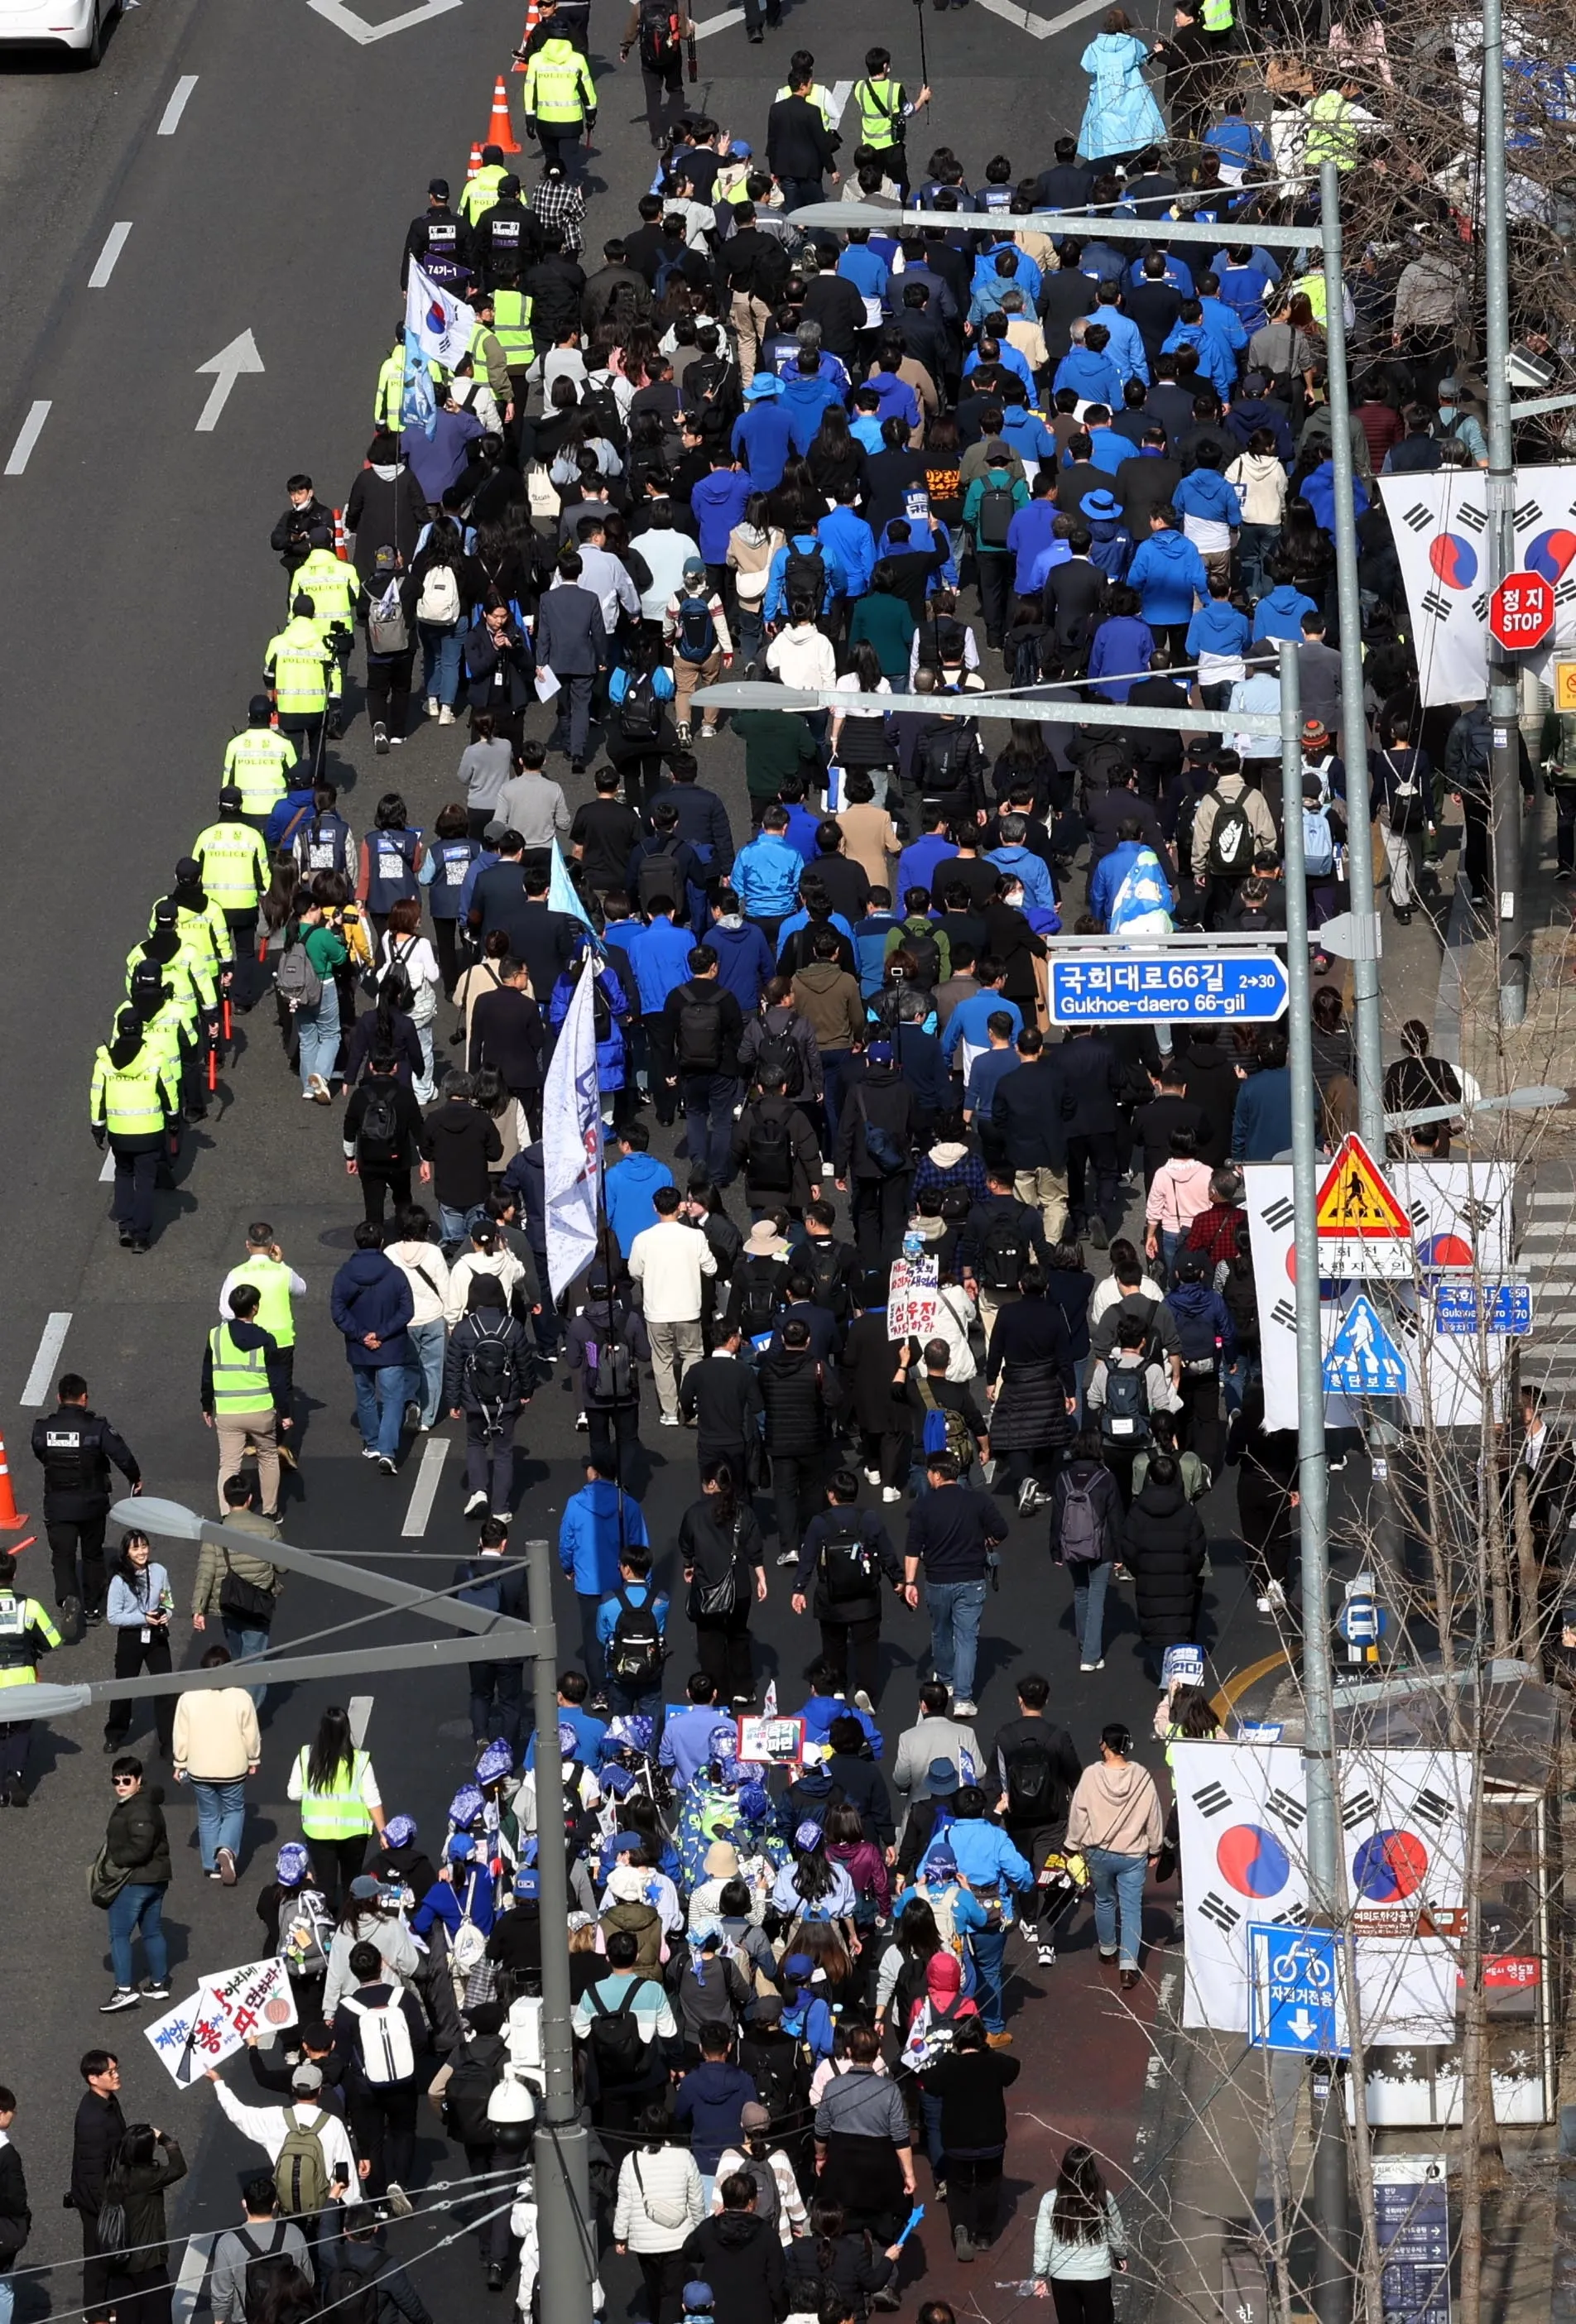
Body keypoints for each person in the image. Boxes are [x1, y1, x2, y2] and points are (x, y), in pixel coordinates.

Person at [30, 1371, 142, 1627]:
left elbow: (40, 1452)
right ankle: (92, 1607)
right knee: (92, 1555)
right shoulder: (96, 1427)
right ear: (85, 1398)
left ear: (58, 1397)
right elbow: (122, 1456)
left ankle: (68, 1599)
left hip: (58, 1505)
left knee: (63, 1556)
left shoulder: (43, 1428)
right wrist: (135, 1479)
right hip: (92, 1504)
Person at [901, 1455, 1007, 1719]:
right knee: (967, 1637)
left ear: (937, 1475)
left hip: (938, 1580)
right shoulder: (977, 1501)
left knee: (941, 1631)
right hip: (972, 1578)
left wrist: (910, 1582)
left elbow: (913, 1548)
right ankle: (963, 1698)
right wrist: (987, 1540)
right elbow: (1001, 1530)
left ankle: (946, 1680)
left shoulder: (924, 1507)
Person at [988, 1673, 1083, 1966]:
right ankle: (1046, 1942)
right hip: (1052, 1819)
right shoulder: (1057, 1736)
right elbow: (1075, 1777)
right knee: (1049, 1875)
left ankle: (1028, 1918)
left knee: (1023, 1871)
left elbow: (994, 1778)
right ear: (1047, 1699)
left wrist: (997, 1807)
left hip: (1017, 1818)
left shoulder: (1005, 1736)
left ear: (1019, 1700)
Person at [791, 1467, 903, 1706]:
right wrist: (899, 1580)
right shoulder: (869, 1518)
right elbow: (886, 1553)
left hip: (830, 1597)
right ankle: (865, 1690)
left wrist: (799, 1589)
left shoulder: (820, 1523)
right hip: (865, 1597)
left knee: (833, 1645)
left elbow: (808, 1557)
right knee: (866, 1646)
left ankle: (838, 1687)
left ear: (832, 1495)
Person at [1065, 1725, 1163, 1988]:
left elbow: (1078, 1814)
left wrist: (1072, 1846)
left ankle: (1107, 1950)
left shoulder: (1091, 1775)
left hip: (1099, 1852)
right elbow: (1154, 1817)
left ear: (1103, 1745)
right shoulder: (1142, 1776)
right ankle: (1128, 1966)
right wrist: (1155, 1848)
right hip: (1133, 1854)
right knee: (1131, 1910)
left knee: (1104, 1901)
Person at [331, 1941, 428, 2204]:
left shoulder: (347, 2008)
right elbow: (420, 2039)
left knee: (371, 2138)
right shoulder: (402, 1999)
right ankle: (400, 2183)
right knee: (404, 2131)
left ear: (353, 1971)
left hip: (365, 2086)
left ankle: (376, 2196)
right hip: (403, 2080)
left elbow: (340, 2053)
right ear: (381, 1965)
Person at [921, 2015, 1021, 2260]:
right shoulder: (994, 2063)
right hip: (991, 2140)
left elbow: (930, 2083)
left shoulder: (948, 2066)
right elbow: (1014, 2067)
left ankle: (960, 2225)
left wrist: (948, 2056)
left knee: (958, 2186)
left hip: (957, 2142)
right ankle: (985, 2234)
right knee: (989, 2184)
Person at [329, 1221, 422, 1474]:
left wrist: (362, 1336)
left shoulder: (345, 1274)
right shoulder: (394, 1274)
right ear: (382, 1243)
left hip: (359, 1349)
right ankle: (388, 1450)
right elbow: (406, 1311)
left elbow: (338, 1310)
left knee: (366, 1395)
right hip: (390, 1346)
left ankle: (371, 1443)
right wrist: (380, 1333)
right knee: (393, 1399)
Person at [560, 1454, 652, 1707]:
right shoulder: (629, 1505)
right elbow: (640, 1544)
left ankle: (600, 1692)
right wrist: (646, 1582)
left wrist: (568, 1567)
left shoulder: (575, 1504)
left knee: (593, 1639)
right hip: (621, 1582)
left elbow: (567, 1542)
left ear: (594, 1473)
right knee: (622, 1634)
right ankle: (621, 1682)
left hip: (588, 1584)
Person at [444, 1275, 537, 1521]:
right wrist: (527, 1392)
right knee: (504, 1452)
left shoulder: (464, 1329)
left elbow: (453, 1368)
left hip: (474, 1401)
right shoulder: (513, 1327)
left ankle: (478, 1492)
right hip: (506, 1400)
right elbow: (525, 1365)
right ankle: (501, 1509)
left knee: (476, 1444)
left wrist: (453, 1402)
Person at [679, 1459, 768, 1708]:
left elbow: (686, 1544)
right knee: (738, 1636)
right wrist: (761, 1576)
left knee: (710, 1642)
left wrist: (689, 1566)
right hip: (739, 1587)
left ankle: (718, 1694)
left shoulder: (694, 1514)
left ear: (711, 1483)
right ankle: (744, 1687)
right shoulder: (743, 1512)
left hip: (707, 1587)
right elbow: (754, 1548)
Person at [202, 1283, 291, 1521]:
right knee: (268, 1456)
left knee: (229, 1465)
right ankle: (270, 1511)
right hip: (260, 1411)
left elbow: (207, 1372)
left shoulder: (216, 1336)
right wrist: (285, 1413)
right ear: (255, 1308)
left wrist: (206, 1405)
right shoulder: (266, 1338)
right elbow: (277, 1380)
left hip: (228, 1412)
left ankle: (228, 1515)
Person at [173, 1645, 261, 1885]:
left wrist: (180, 1763)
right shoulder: (241, 1697)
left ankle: (211, 1866)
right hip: (233, 1768)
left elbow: (181, 1734)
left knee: (208, 1814)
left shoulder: (188, 1698)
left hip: (199, 1768)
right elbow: (250, 1734)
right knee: (234, 1811)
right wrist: (253, 1759)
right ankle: (226, 1849)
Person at [631, 1186, 718, 1424]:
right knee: (692, 1355)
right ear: (679, 1207)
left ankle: (669, 1412)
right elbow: (711, 1268)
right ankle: (689, 1408)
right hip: (688, 1308)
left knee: (662, 1360)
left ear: (655, 1207)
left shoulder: (643, 1239)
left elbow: (635, 1272)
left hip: (657, 1311)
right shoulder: (695, 1236)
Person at [613, 2101, 706, 2324]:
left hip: (645, 2242)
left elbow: (624, 2202)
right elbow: (696, 2200)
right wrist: (699, 2230)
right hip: (678, 2239)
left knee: (654, 2291)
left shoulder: (631, 2161)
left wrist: (620, 2236)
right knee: (673, 2293)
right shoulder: (684, 2156)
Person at [287, 1705, 387, 1910]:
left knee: (326, 1885)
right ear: (346, 1731)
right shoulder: (359, 1760)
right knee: (352, 1884)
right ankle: (351, 1924)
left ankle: (327, 1929)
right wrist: (383, 1832)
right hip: (354, 1835)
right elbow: (372, 1798)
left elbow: (293, 1792)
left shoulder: (306, 1756)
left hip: (319, 1834)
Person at [99, 1755, 173, 2012]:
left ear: (138, 1780)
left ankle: (123, 1990)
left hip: (136, 1880)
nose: (120, 1785)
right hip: (156, 1878)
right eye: (116, 1780)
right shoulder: (143, 1802)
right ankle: (159, 1983)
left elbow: (140, 1848)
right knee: (152, 1931)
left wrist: (115, 1859)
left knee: (119, 1934)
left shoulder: (139, 1808)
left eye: (126, 1780)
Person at [1049, 1432, 1124, 1673]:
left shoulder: (1063, 1478)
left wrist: (1056, 1550)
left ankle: (1084, 1644)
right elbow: (1115, 1519)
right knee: (1096, 1598)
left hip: (1072, 1545)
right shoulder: (1106, 1479)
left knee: (1081, 1592)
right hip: (1101, 1547)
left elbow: (1057, 1517)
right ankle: (1090, 1657)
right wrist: (1120, 1555)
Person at [100, 1531, 175, 1763]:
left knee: (165, 1687)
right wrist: (144, 1618)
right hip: (131, 1638)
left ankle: (169, 1741)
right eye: (135, 1548)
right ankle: (115, 1733)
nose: (142, 1552)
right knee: (125, 1687)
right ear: (126, 1552)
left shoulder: (160, 1571)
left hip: (156, 1636)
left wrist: (166, 1615)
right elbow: (114, 1617)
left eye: (144, 1546)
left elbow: (168, 1601)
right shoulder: (119, 1580)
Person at [99, 2124, 186, 2324]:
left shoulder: (114, 2175)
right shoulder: (146, 2177)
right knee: (157, 2313)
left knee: (129, 2312)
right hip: (147, 2259)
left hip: (119, 2256)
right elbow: (178, 2168)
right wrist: (165, 2139)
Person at [1032, 2143, 1129, 2322]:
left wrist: (1040, 2274)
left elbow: (1043, 2241)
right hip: (1096, 2275)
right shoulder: (1103, 2198)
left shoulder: (1051, 2199)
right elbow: (1115, 2230)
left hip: (1062, 2276)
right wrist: (1120, 2254)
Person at [207, 2176, 314, 2323]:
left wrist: (219, 2320)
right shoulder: (294, 2233)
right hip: (289, 2319)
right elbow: (308, 2279)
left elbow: (221, 2294)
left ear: (244, 2204)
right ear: (275, 2204)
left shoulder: (228, 2243)